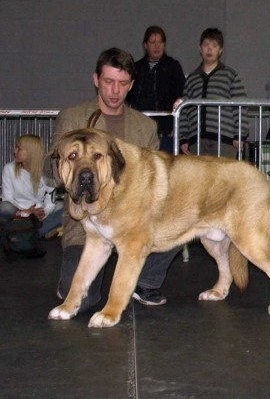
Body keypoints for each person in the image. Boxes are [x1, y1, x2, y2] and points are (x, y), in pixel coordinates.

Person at [47, 47, 181, 312]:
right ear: (96, 79)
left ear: (131, 85)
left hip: (134, 222)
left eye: (122, 84)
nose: (114, 90)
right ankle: (72, 279)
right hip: (87, 225)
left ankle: (144, 281)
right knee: (83, 303)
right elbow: (51, 170)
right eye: (108, 82)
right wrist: (65, 165)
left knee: (178, 220)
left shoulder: (145, 126)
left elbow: (157, 181)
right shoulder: (73, 118)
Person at [180, 28, 248, 159]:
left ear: (220, 50)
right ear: (200, 48)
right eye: (206, 45)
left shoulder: (230, 75)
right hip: (197, 139)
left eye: (214, 46)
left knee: (224, 178)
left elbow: (240, 106)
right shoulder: (191, 79)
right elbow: (184, 110)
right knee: (199, 178)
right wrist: (183, 137)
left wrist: (239, 134)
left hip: (224, 139)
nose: (209, 50)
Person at [127, 26, 186, 153]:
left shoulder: (173, 66)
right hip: (139, 128)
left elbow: (181, 96)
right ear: (145, 45)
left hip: (165, 130)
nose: (157, 46)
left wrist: (174, 123)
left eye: (160, 42)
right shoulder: (136, 68)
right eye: (153, 42)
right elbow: (128, 97)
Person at [1, 134, 62, 237]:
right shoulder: (9, 169)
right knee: (4, 207)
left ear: (30, 152)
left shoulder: (48, 172)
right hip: (18, 212)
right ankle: (39, 231)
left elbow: (50, 203)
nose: (14, 151)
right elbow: (7, 199)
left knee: (65, 208)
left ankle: (27, 232)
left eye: (18, 148)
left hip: (40, 213)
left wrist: (43, 212)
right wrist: (28, 212)